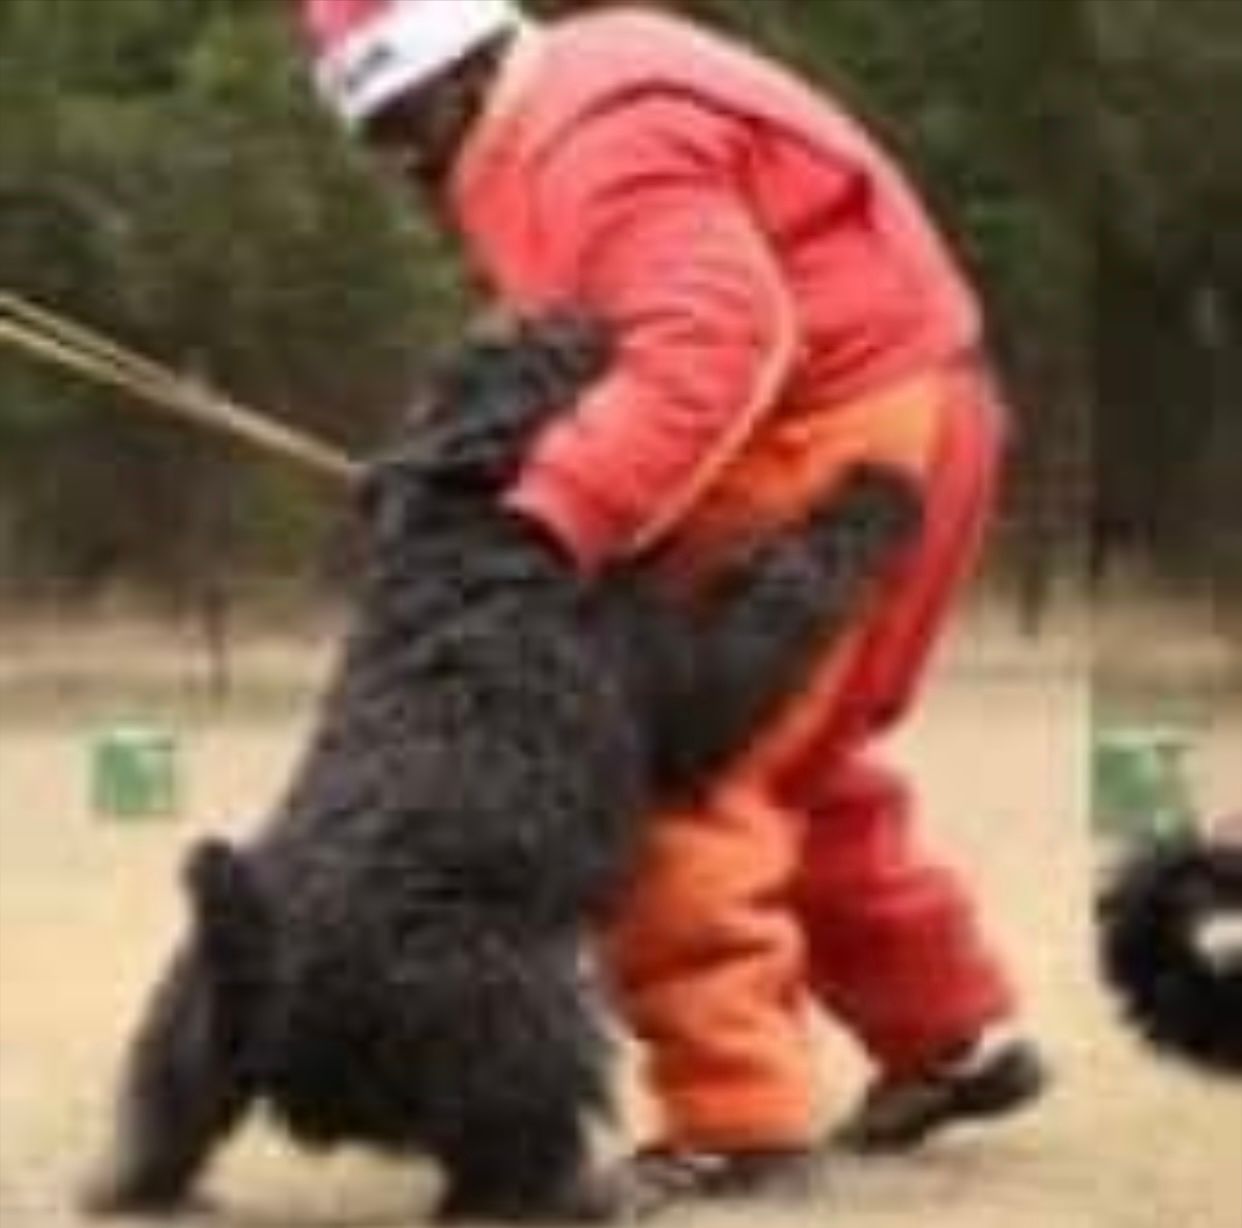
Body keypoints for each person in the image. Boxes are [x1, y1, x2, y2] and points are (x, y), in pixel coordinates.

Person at [298, 0, 1048, 1212]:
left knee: (675, 774)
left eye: (404, 120)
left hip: (841, 421)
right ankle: (949, 1035)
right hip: (910, 406)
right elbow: (578, 337)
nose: (400, 158)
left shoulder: (595, 135)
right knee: (792, 757)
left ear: (468, 64)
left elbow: (712, 339)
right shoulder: (571, 92)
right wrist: (446, 470)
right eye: (373, 133)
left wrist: (548, 515)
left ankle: (737, 1121)